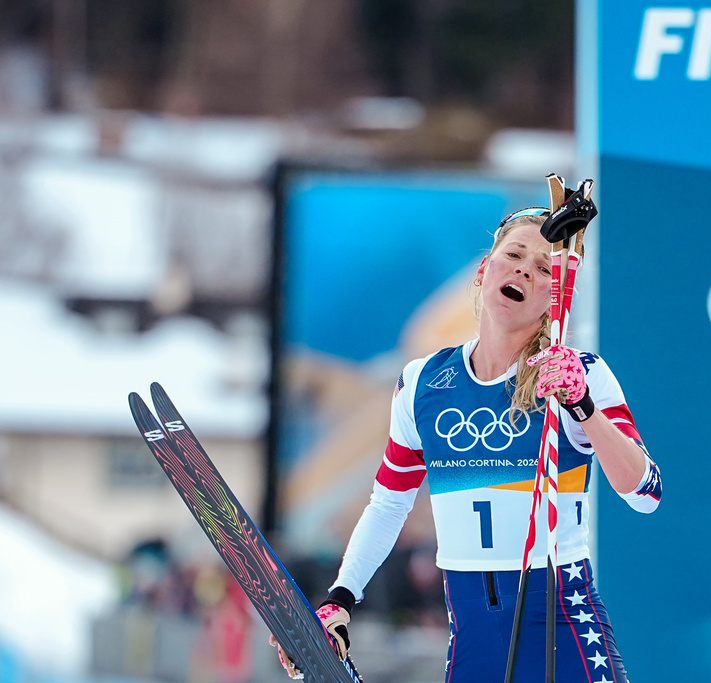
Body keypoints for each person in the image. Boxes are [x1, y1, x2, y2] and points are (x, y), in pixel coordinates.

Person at [275, 203, 663, 682]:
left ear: (555, 295)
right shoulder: (423, 382)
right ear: (484, 270)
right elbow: (388, 504)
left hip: (561, 626)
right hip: (473, 635)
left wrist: (583, 407)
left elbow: (646, 492)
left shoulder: (579, 374)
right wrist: (341, 597)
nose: (524, 268)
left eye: (544, 267)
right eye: (515, 254)